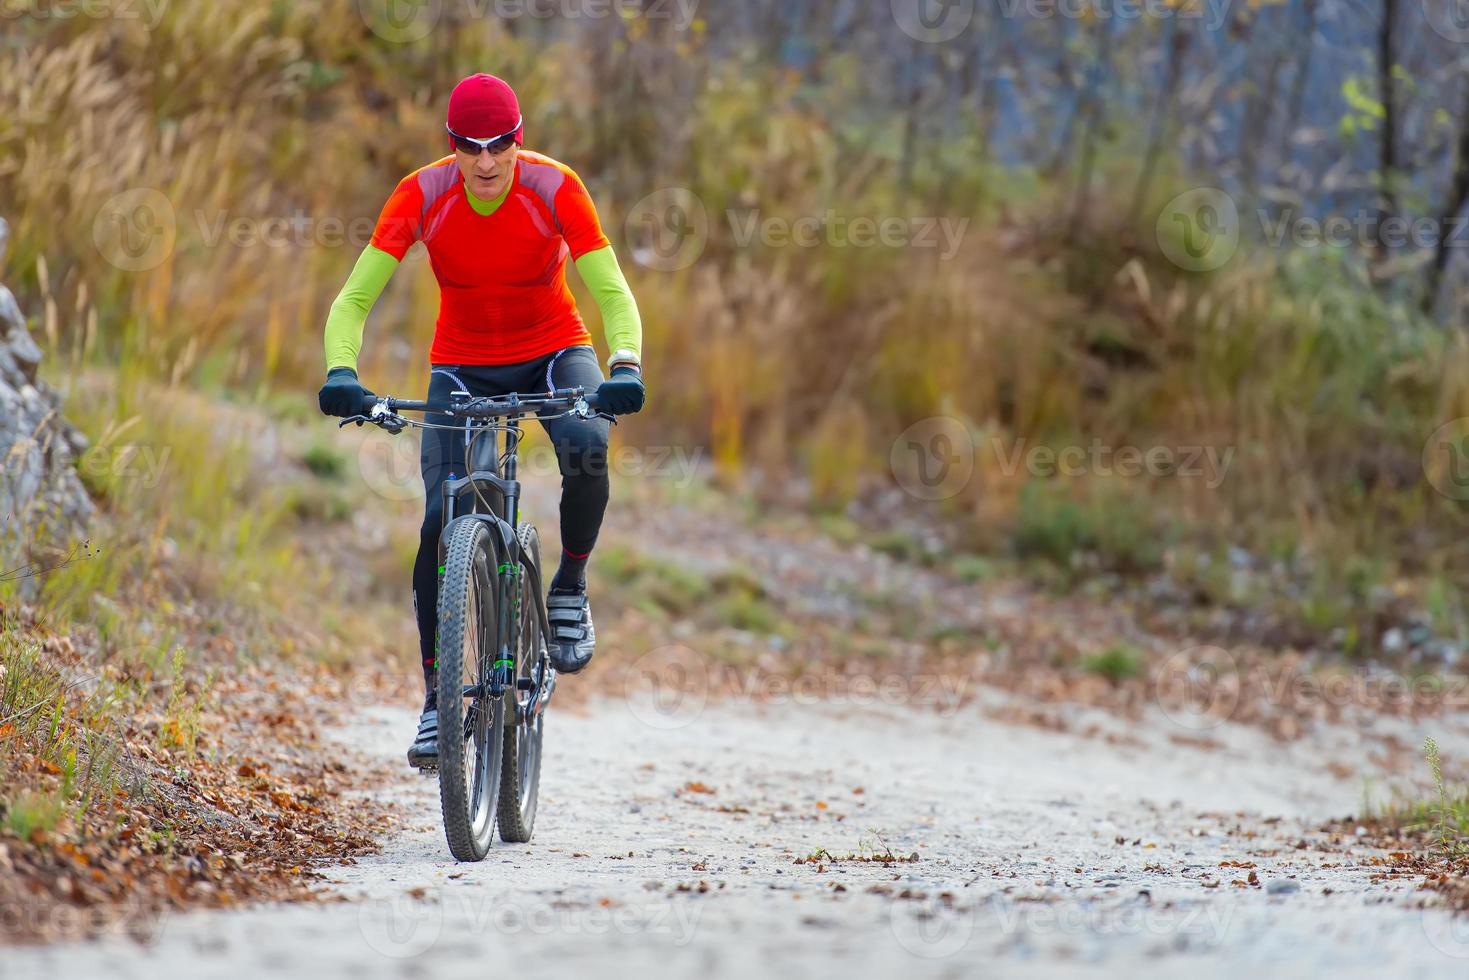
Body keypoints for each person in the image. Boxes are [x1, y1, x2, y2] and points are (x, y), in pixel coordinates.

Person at [316, 73, 645, 768]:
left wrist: (624, 364)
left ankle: (569, 585)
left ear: (519, 141)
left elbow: (610, 287)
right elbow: (353, 300)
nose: (487, 163)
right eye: (471, 148)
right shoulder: (422, 193)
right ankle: (439, 701)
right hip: (461, 365)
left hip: (554, 350)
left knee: (587, 450)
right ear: (452, 147)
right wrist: (343, 373)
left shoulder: (555, 187)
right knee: (440, 517)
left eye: (500, 147)